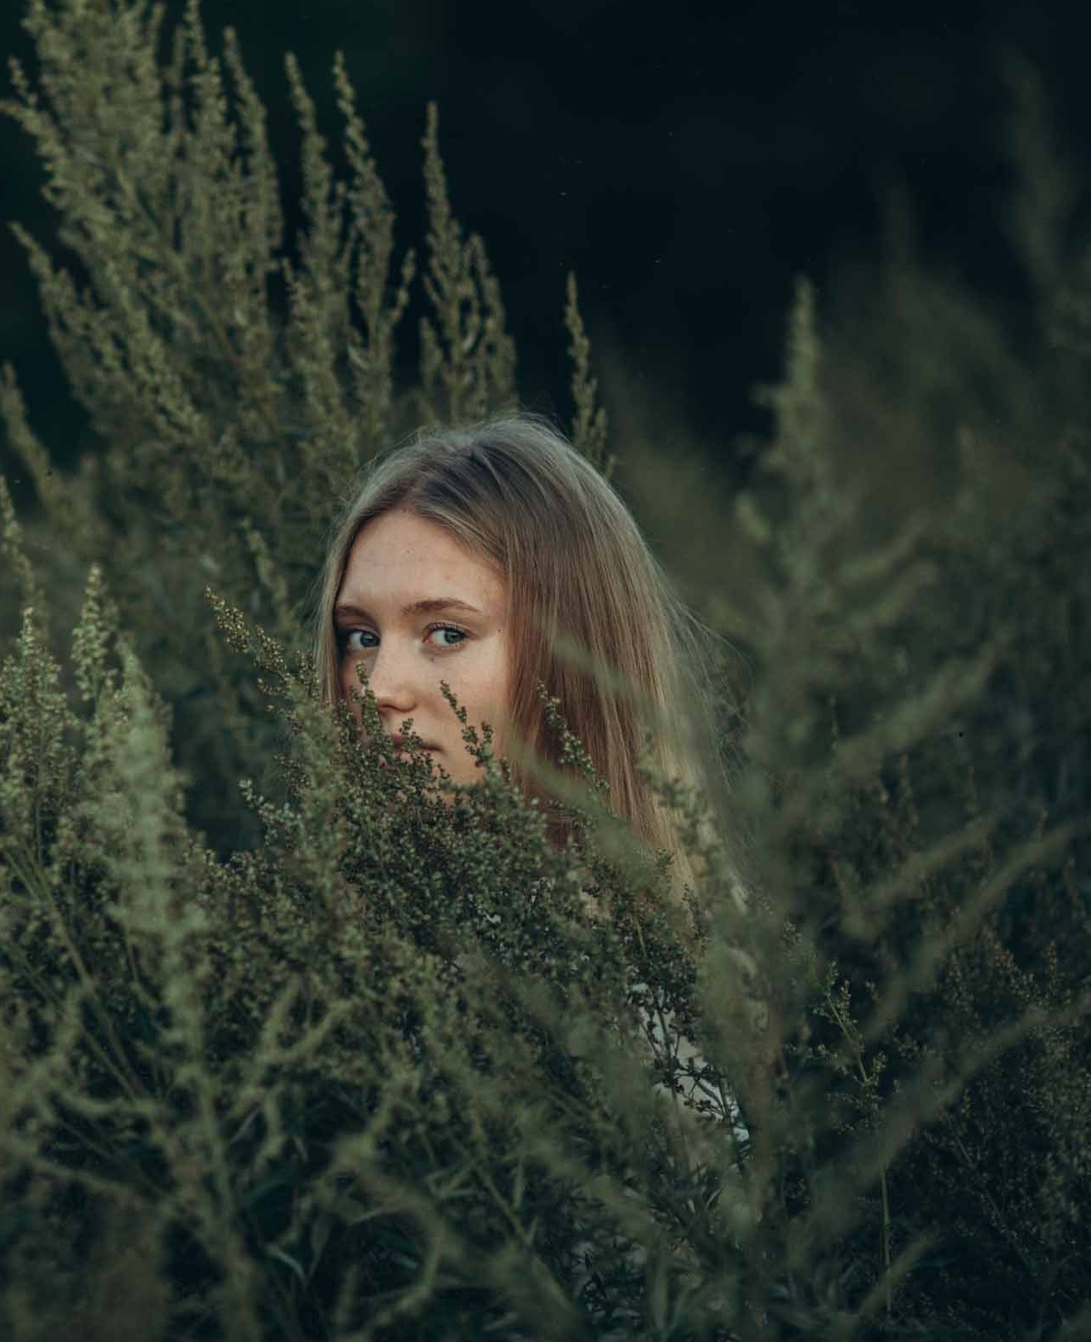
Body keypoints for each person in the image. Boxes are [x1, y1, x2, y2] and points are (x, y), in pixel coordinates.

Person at [312, 412, 759, 1214]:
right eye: (359, 637)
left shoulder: (620, 1019)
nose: (379, 686)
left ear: (573, 661)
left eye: (445, 632)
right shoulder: (358, 956)